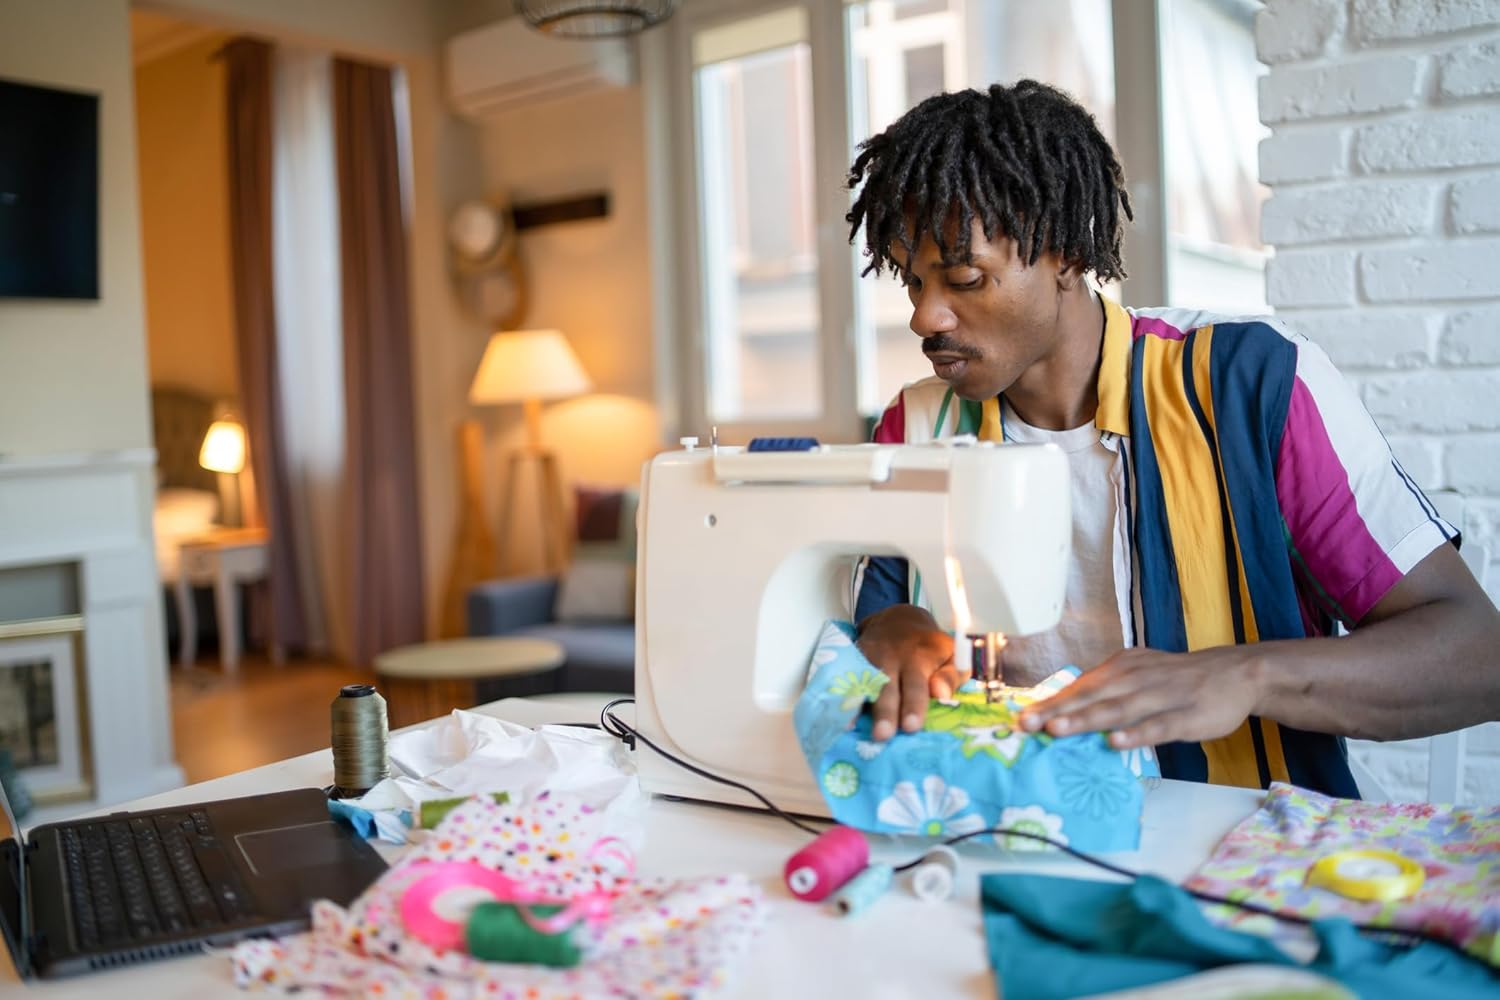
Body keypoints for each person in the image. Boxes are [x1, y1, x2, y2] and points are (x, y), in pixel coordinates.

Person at [846, 80, 1500, 797]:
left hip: (1240, 839)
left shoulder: (1250, 383)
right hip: (1011, 825)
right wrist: (902, 636)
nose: (925, 319)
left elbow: (1477, 651)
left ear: (1063, 253)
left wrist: (1245, 675)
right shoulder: (918, 424)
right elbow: (879, 615)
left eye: (965, 278)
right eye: (911, 283)